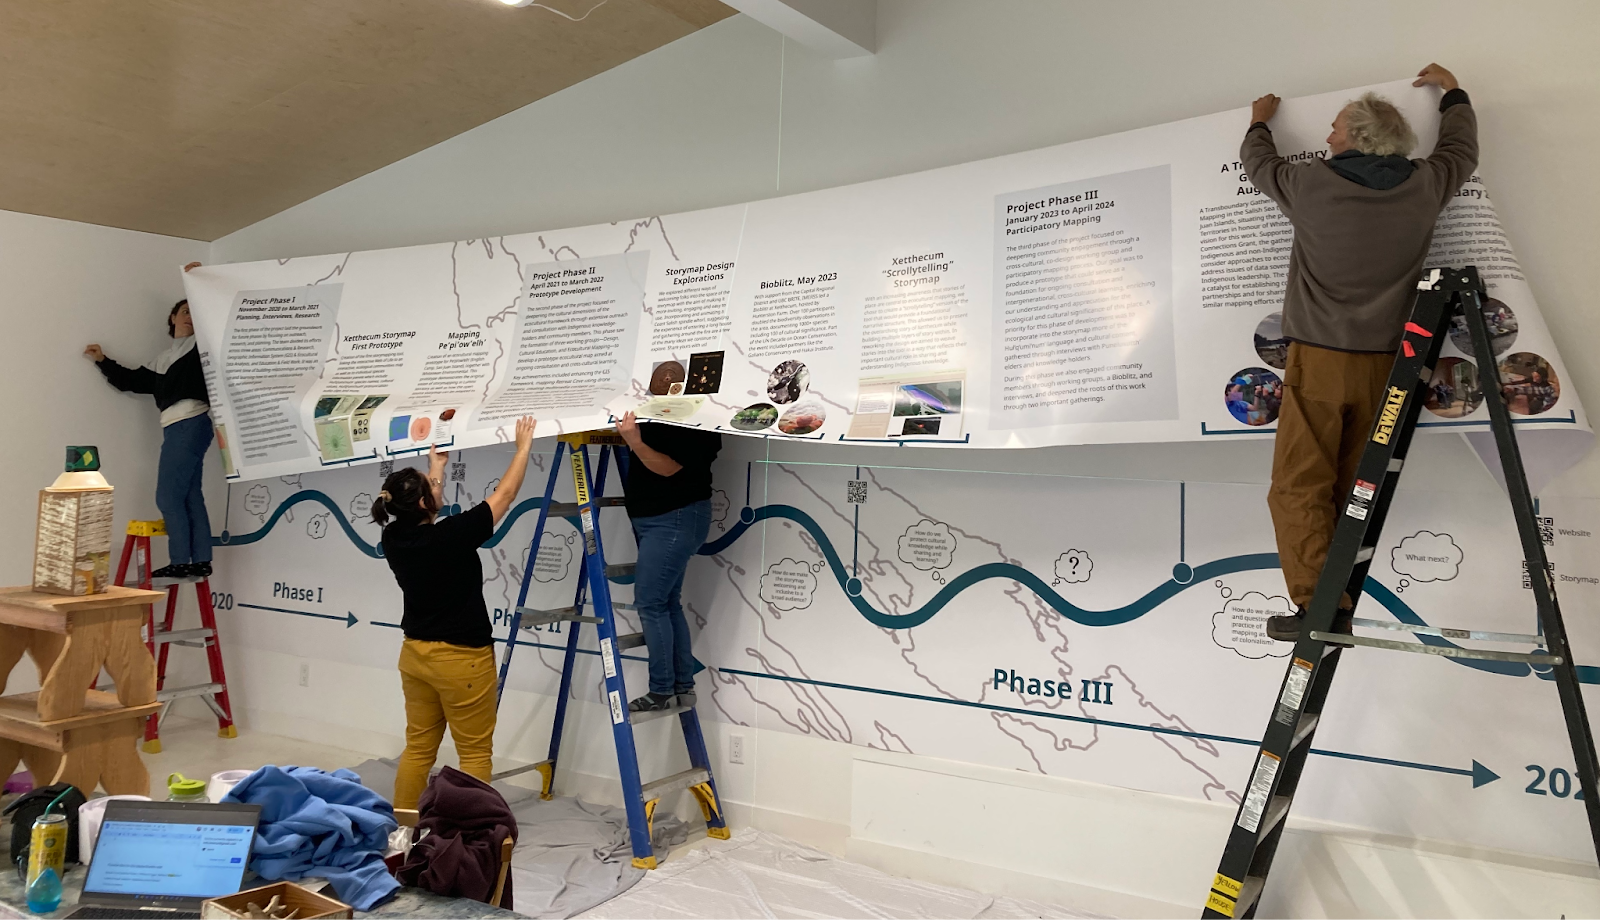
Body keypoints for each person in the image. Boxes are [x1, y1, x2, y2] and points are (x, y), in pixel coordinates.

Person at [1243, 64, 1478, 641]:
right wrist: (1453, 94)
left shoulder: (1313, 185)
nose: (1326, 137)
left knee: (1299, 484)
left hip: (1319, 361)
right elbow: (1462, 149)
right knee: (1354, 485)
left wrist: (1258, 123)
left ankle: (1315, 608)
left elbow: (1258, 163)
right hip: (1388, 365)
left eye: (1335, 129)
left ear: (1358, 137)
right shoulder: (1426, 185)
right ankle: (1337, 599)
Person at [375, 416, 537, 809]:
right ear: (422, 503)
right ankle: (468, 838)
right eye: (429, 487)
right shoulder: (450, 537)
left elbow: (424, 509)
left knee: (417, 748)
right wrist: (523, 449)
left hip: (415, 656)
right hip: (462, 661)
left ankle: (404, 834)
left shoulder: (394, 536)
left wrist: (437, 469)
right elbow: (506, 494)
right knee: (475, 755)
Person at [84, 261, 215, 579]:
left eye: (193, 311)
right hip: (177, 428)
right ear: (172, 318)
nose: (189, 315)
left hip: (191, 422)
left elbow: (214, 313)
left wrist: (196, 282)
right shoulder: (164, 359)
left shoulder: (202, 346)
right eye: (183, 310)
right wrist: (103, 361)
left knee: (168, 496)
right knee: (188, 494)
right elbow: (132, 380)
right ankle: (199, 560)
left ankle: (182, 560)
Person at [614, 411, 722, 712]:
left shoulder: (698, 423)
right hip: (664, 519)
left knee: (651, 603)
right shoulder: (668, 414)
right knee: (666, 603)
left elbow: (669, 469)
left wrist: (634, 441)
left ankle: (662, 690)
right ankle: (682, 688)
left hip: (673, 519)